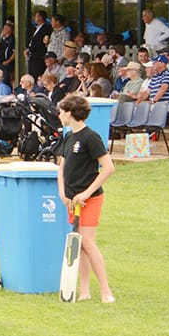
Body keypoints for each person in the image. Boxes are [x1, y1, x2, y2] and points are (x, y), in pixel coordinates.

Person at [56, 95, 116, 303]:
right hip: (72, 200)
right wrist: (63, 193)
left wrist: (86, 193)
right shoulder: (68, 137)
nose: (59, 115)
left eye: (62, 111)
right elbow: (62, 168)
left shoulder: (91, 137)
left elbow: (108, 168)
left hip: (89, 199)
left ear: (70, 113)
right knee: (79, 244)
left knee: (89, 243)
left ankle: (106, 290)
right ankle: (84, 290)